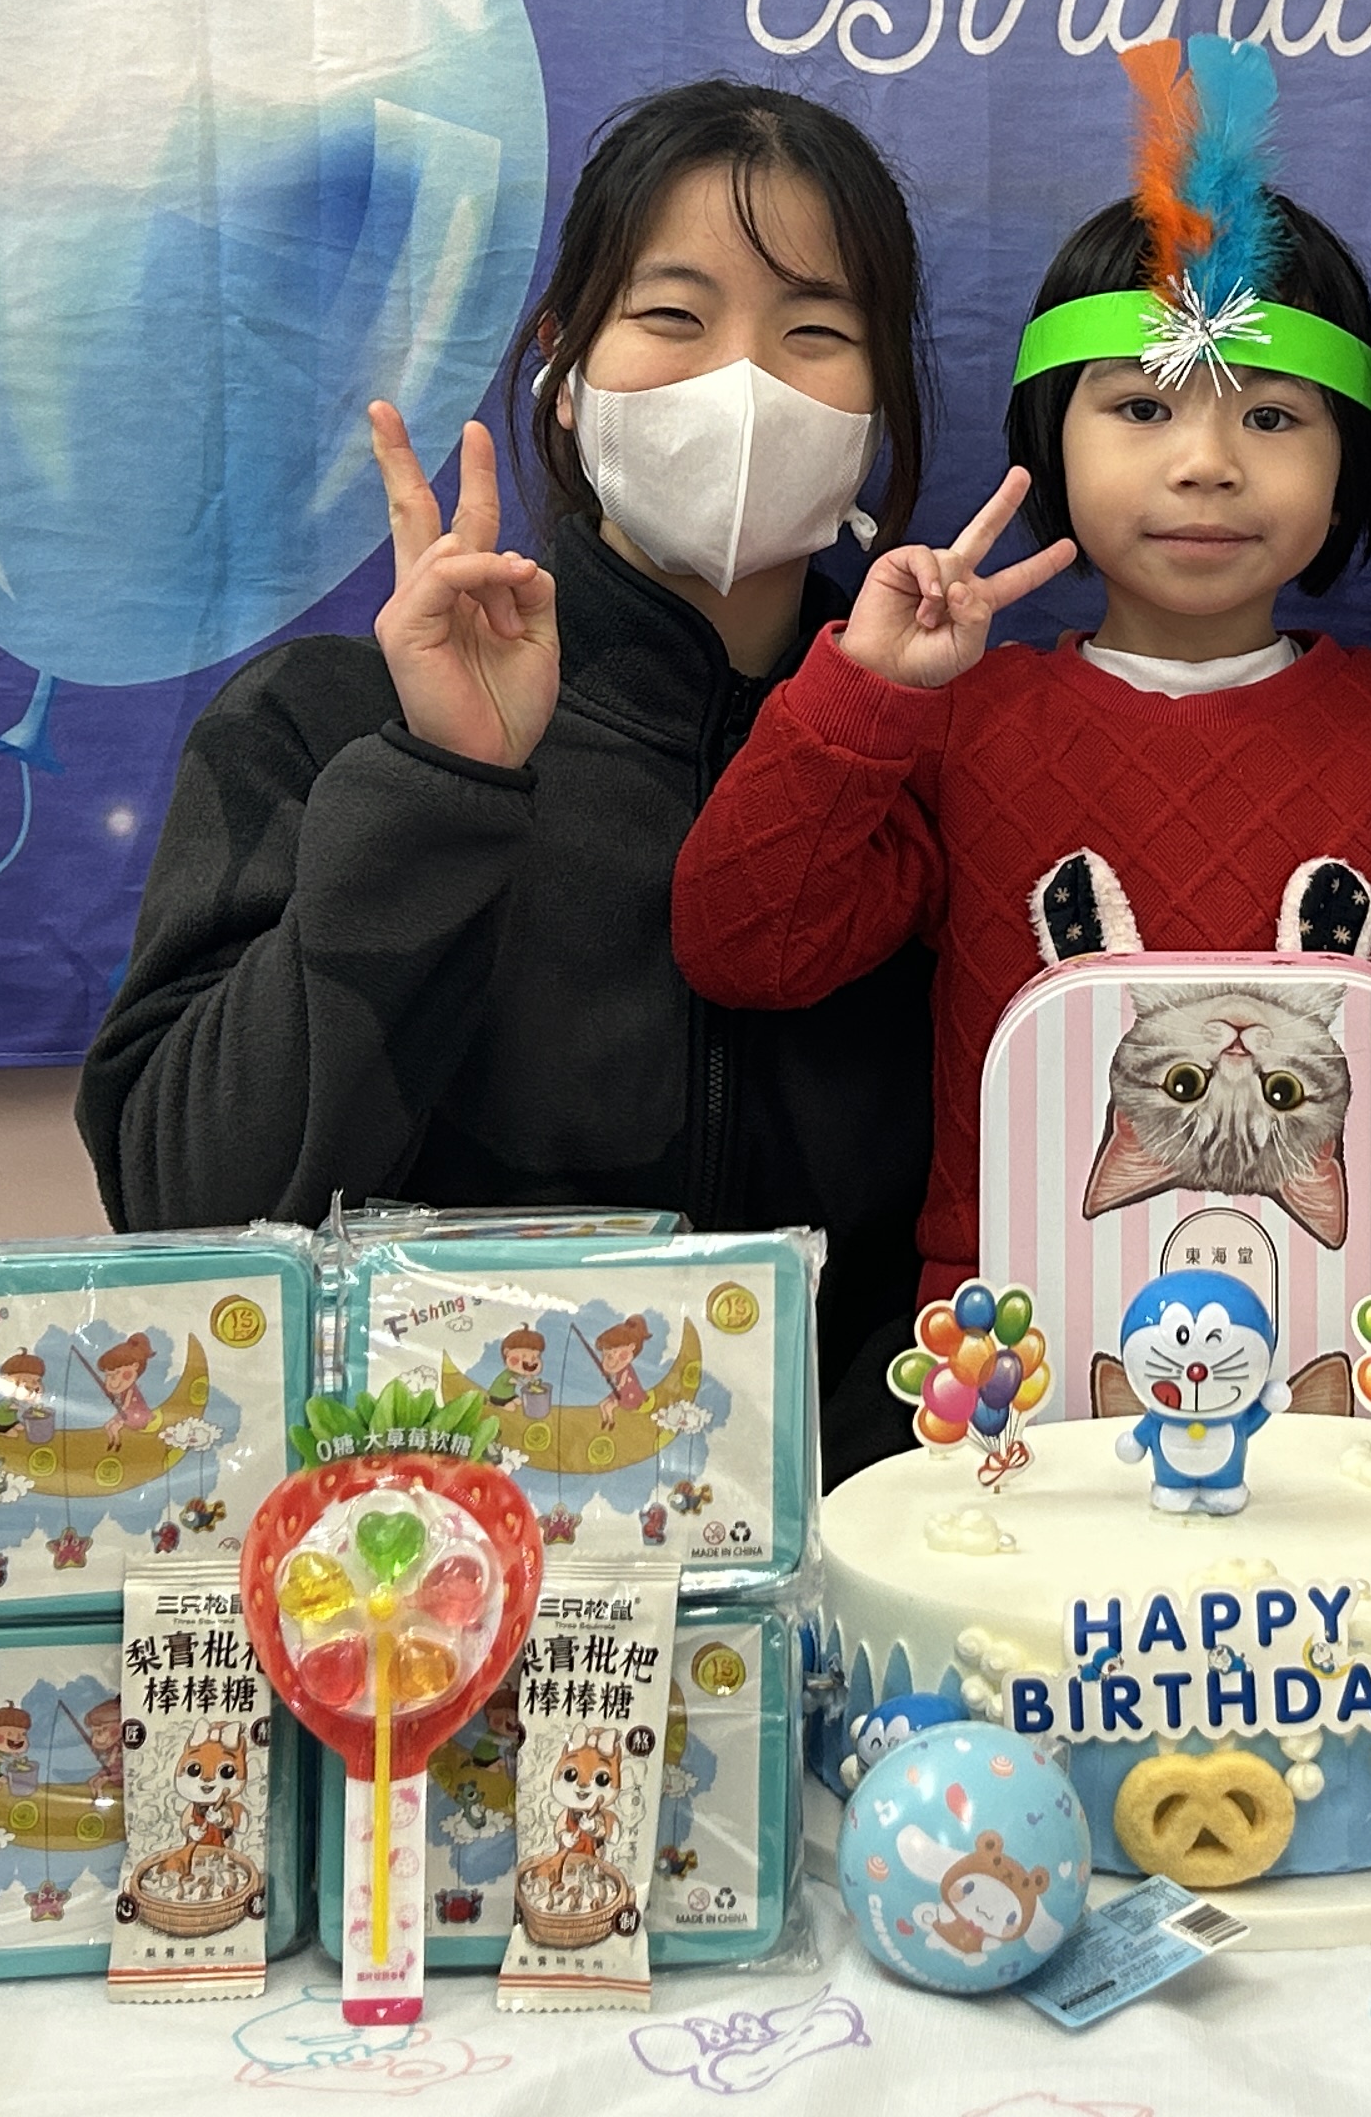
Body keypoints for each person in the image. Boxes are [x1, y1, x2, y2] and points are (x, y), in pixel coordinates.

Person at [75, 80, 941, 1474]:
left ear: (881, 400)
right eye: (674, 317)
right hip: (431, 1559)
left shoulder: (942, 757)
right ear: (564, 361)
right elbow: (188, 1215)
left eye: (817, 333)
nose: (744, 382)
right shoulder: (322, 721)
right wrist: (437, 783)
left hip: (871, 1542)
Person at [673, 38, 1371, 1307]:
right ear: (1049, 440)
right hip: (1010, 1355)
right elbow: (748, 946)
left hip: (1347, 1362)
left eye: (1272, 416)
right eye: (1142, 408)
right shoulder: (966, 727)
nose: (1206, 463)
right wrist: (868, 694)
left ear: (1349, 463)